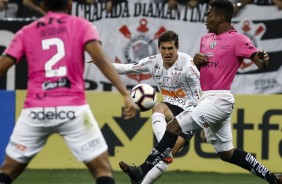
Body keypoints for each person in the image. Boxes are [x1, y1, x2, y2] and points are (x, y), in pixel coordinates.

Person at [118, 1, 282, 184]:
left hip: (219, 99)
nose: (206, 20)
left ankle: (142, 170)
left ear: (221, 18)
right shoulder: (206, 39)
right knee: (227, 153)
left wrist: (263, 60)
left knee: (173, 127)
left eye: (210, 15)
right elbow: (207, 70)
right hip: (207, 99)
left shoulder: (239, 40)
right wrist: (198, 62)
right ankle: (273, 179)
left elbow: (260, 63)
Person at [0, 0, 136, 184]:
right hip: (73, 110)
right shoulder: (81, 25)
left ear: (42, 6)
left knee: (7, 171)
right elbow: (101, 60)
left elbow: (3, 65)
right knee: (103, 170)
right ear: (70, 5)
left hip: (36, 110)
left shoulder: (26, 32)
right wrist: (125, 93)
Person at [112, 30, 202, 184]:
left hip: (190, 113)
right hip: (170, 108)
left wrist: (206, 124)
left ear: (177, 47)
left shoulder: (188, 64)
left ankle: (142, 177)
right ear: (159, 48)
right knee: (158, 107)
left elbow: (204, 91)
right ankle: (163, 150)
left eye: (171, 48)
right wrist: (102, 63)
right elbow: (127, 68)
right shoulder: (153, 62)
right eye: (164, 48)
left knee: (163, 160)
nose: (167, 52)